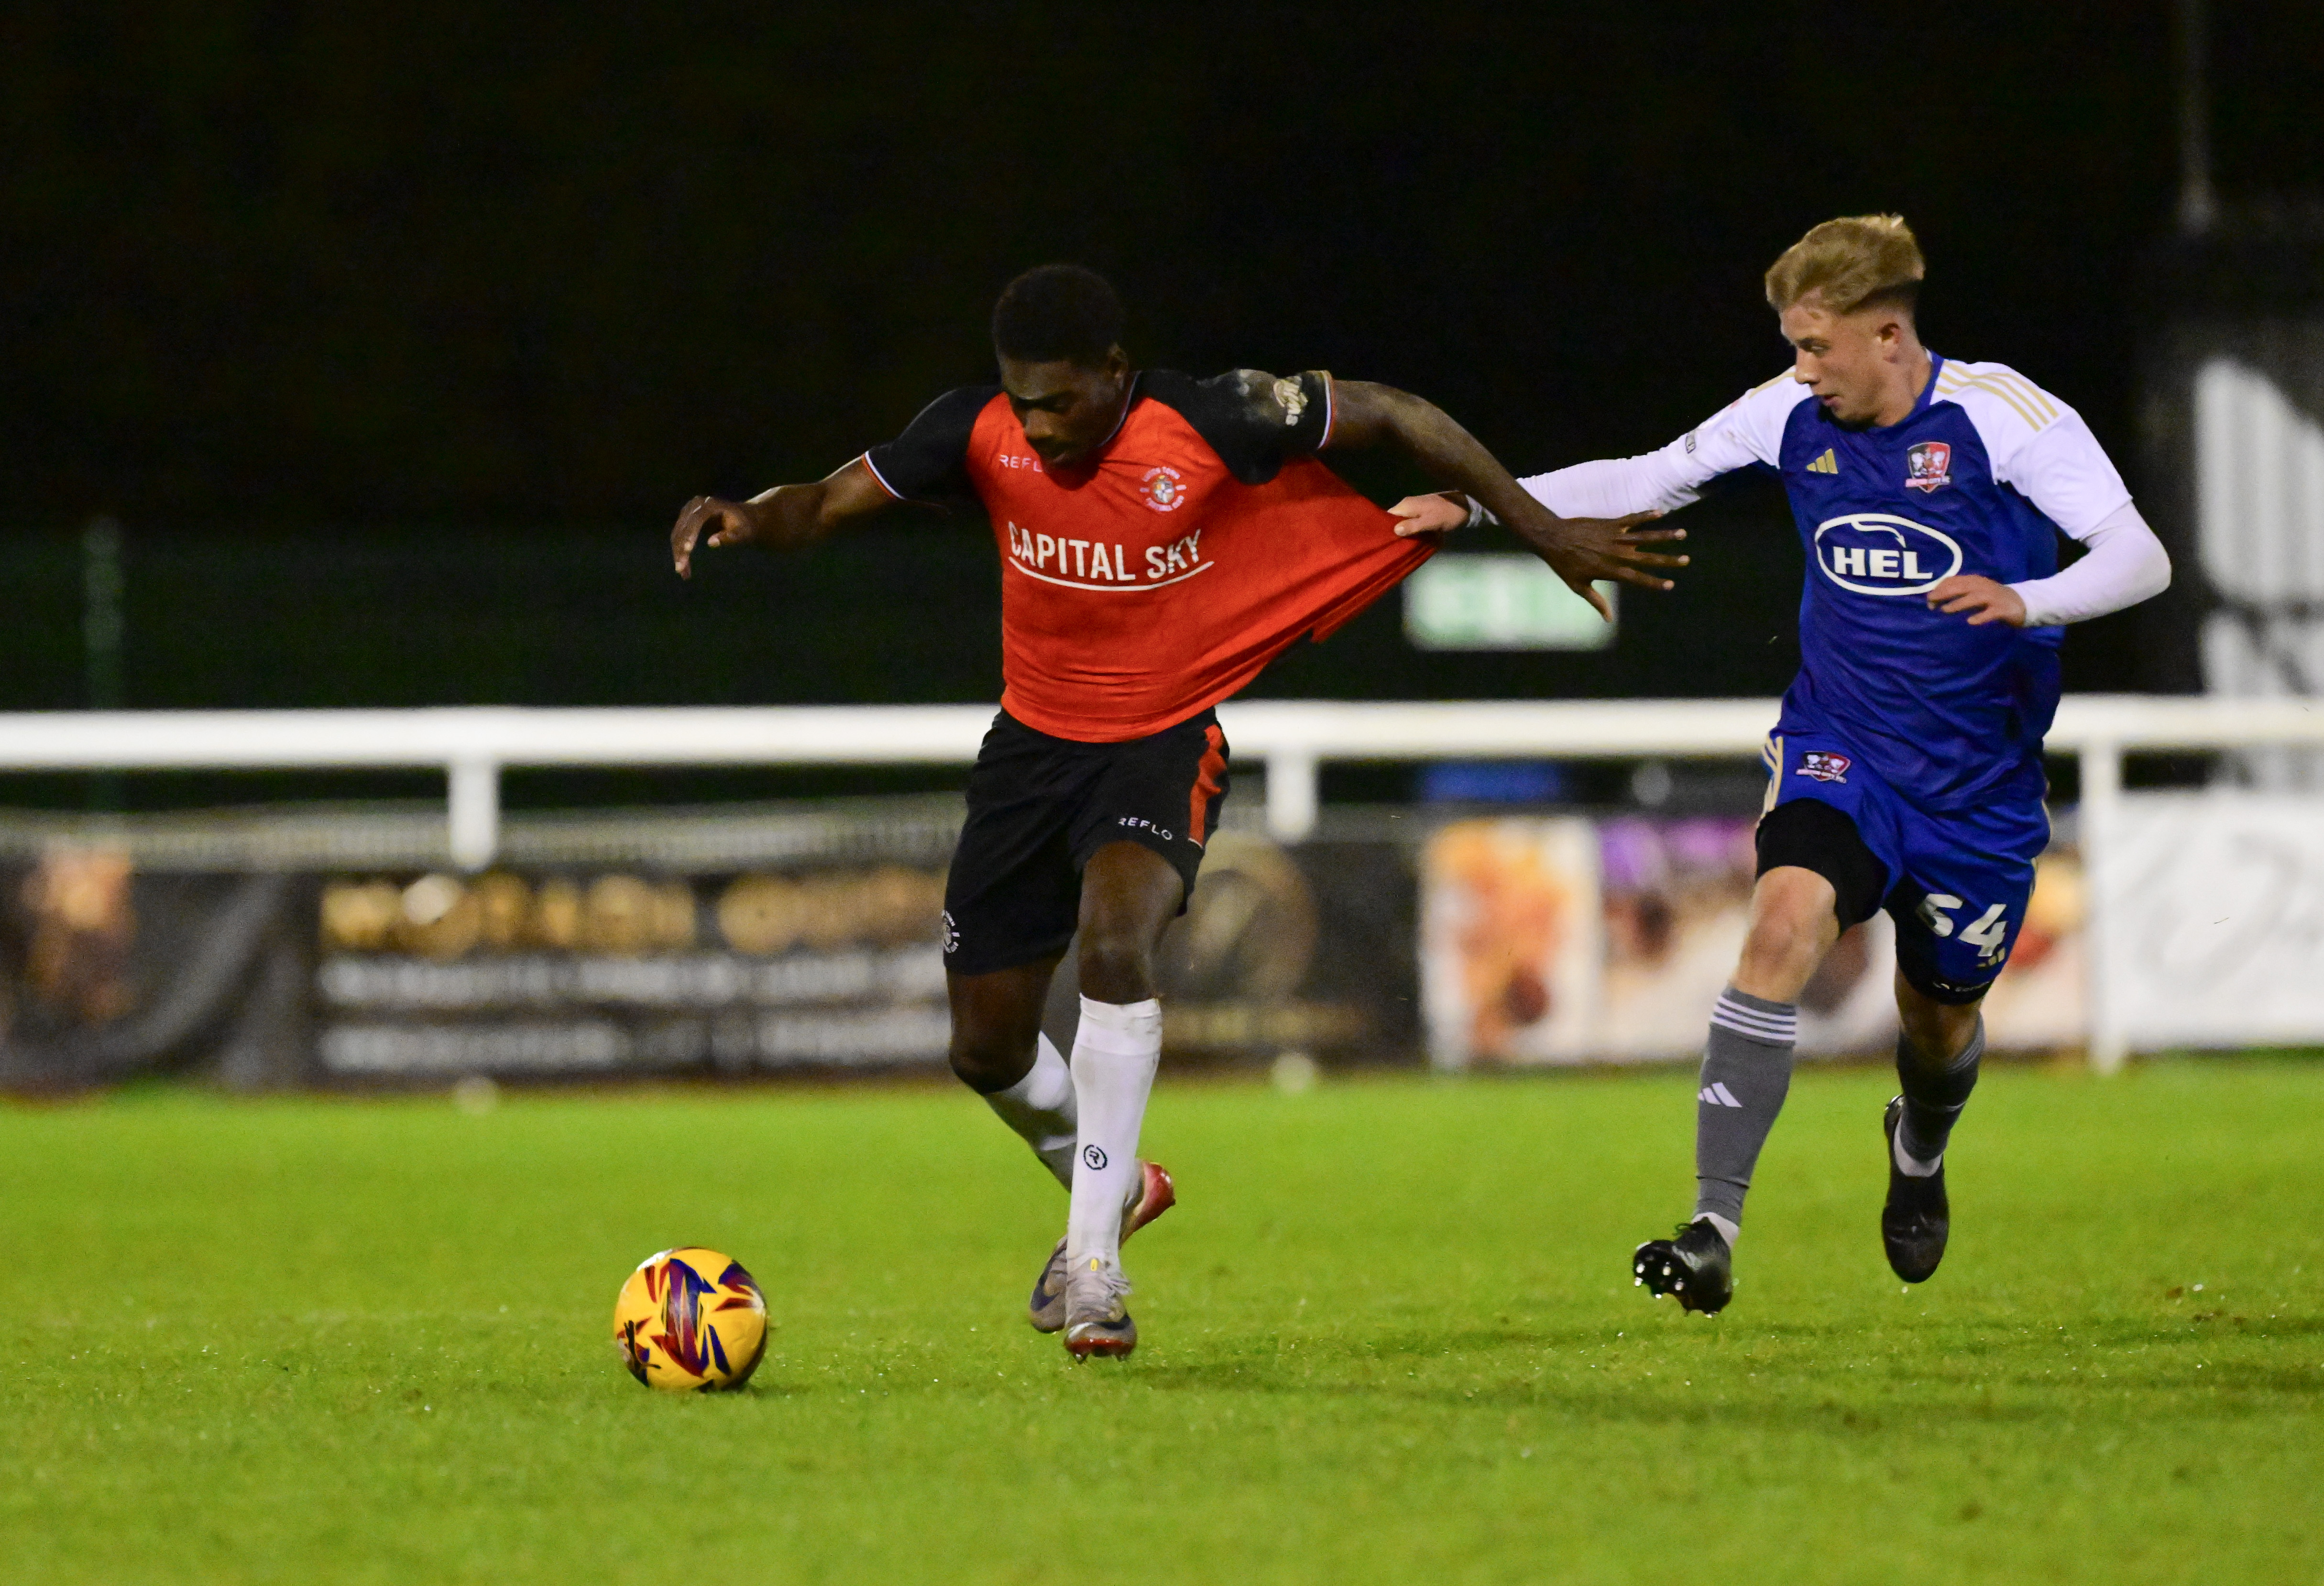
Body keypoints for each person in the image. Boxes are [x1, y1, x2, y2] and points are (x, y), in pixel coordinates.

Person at [673, 264, 1683, 1355]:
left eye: (1060, 400)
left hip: (1160, 744)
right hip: (1027, 757)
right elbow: (821, 502)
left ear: (1115, 372)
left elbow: (1397, 413)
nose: (1037, 424)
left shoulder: (1214, 415)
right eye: (1021, 399)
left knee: (1116, 948)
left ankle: (1094, 1268)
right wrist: (747, 516)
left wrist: (1539, 527)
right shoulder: (977, 433)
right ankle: (1117, 1191)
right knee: (985, 1048)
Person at [1391, 215, 2170, 1313]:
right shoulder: (1785, 415)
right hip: (1840, 749)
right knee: (1781, 922)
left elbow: (2141, 555)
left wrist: (2028, 600)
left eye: (1818, 346)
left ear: (1889, 334)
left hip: (1977, 794)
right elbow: (1648, 477)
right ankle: (1712, 1227)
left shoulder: (2007, 419)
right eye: (1794, 346)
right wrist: (1484, 504)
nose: (1801, 369)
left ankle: (1920, 1148)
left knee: (1938, 1027)